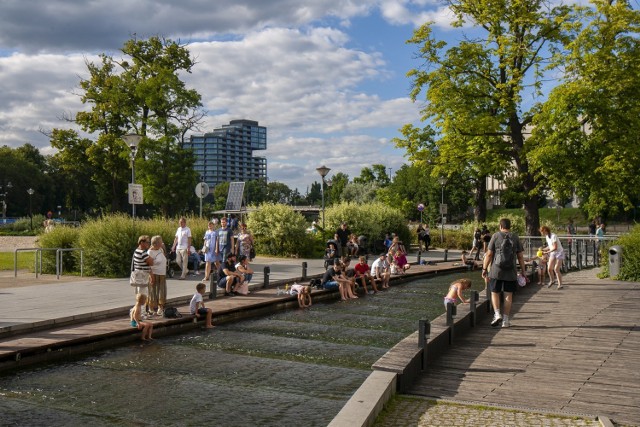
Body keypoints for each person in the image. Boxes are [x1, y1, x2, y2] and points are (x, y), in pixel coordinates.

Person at [481, 218, 527, 328]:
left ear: (500, 226)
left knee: (494, 293)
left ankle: (497, 314)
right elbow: (520, 257)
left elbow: (489, 255)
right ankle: (505, 320)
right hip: (511, 271)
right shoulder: (515, 237)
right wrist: (523, 271)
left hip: (496, 271)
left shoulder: (495, 236)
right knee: (508, 296)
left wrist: (484, 268)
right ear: (510, 226)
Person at [132, 235, 153, 315]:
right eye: (147, 242)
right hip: (142, 276)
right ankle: (142, 314)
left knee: (139, 295)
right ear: (142, 242)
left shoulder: (136, 251)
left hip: (138, 275)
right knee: (143, 295)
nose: (148, 244)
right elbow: (151, 262)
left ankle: (135, 312)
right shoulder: (142, 252)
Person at [147, 235, 167, 316]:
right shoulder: (150, 252)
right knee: (152, 290)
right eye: (160, 242)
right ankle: (151, 307)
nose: (162, 243)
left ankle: (160, 307)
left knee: (161, 290)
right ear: (156, 244)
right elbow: (148, 265)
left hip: (162, 273)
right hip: (154, 273)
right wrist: (151, 276)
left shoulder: (161, 249)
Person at [540, 225, 565, 290]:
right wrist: (543, 249)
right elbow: (550, 246)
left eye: (542, 231)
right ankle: (552, 280)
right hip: (553, 253)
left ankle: (560, 285)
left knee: (556, 269)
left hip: (559, 252)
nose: (541, 233)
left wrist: (546, 252)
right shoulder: (547, 237)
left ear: (545, 230)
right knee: (549, 268)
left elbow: (555, 247)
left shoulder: (553, 236)